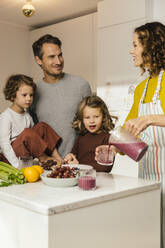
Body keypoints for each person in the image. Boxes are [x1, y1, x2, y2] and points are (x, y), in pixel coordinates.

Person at [95, 22, 165, 247]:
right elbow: (129, 133)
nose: (131, 50)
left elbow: (146, 121)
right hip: (148, 178)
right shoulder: (141, 86)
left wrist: (150, 118)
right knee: (152, 236)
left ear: (151, 46)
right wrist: (113, 147)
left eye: (135, 45)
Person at [31, 34, 92, 158]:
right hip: (48, 165)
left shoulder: (81, 85)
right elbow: (34, 133)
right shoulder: (32, 93)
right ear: (38, 60)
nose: (58, 61)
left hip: (79, 162)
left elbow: (94, 126)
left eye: (60, 55)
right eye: (51, 57)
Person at [0, 74, 63, 168]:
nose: (29, 99)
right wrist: (17, 165)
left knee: (42, 126)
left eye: (31, 95)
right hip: (11, 158)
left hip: (26, 152)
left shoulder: (27, 115)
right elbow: (4, 144)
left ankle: (57, 157)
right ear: (13, 95)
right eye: (24, 95)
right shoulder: (6, 116)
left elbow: (35, 137)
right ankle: (44, 158)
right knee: (27, 133)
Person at [64, 95, 116, 172]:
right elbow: (73, 155)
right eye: (87, 117)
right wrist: (69, 158)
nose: (92, 121)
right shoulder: (81, 137)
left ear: (103, 117)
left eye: (96, 116)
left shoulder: (107, 138)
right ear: (82, 119)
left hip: (101, 180)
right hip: (81, 178)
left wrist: (79, 166)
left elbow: (105, 168)